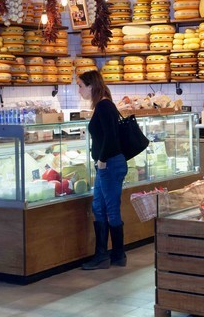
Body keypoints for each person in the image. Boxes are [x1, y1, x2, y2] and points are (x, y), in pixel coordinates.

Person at [76, 70, 128, 270]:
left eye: (80, 85)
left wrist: (102, 160)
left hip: (110, 164)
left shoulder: (104, 106)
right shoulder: (102, 105)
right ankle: (105, 255)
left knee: (110, 209)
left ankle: (116, 254)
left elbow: (110, 137)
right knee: (99, 207)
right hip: (106, 164)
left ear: (91, 86)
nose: (79, 90)